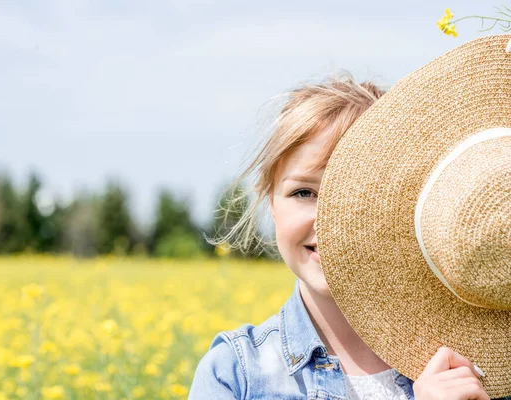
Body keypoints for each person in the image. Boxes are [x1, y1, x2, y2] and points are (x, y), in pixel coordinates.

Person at [190, 34, 511, 400]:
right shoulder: (236, 373)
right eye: (304, 193)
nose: (329, 221)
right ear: (270, 204)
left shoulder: (479, 370)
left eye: (354, 197)